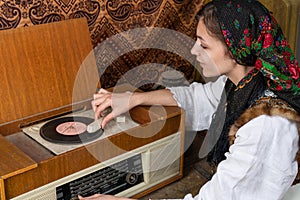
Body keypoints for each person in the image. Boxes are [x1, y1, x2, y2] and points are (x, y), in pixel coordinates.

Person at [81, 0, 300, 199]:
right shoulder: (242, 83)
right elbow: (198, 98)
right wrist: (134, 99)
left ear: (235, 50)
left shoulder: (266, 125)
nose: (194, 51)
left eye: (204, 45)